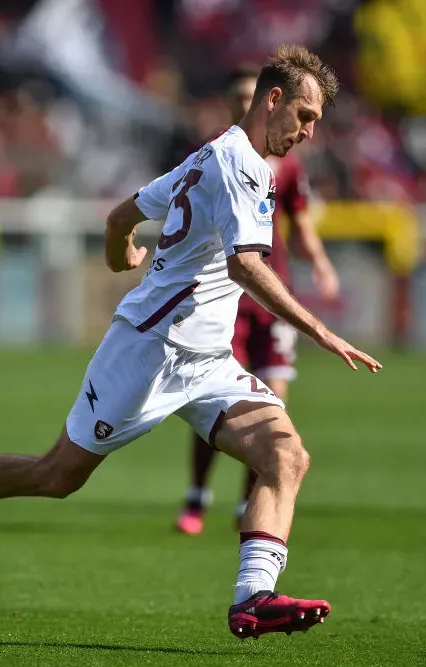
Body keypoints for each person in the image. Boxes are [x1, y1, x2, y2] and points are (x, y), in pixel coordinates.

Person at [0, 45, 381, 639]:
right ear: (274, 99)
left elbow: (118, 219)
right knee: (55, 475)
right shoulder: (239, 165)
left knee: (286, 456)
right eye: (305, 116)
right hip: (148, 351)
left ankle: (253, 598)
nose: (309, 132)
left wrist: (121, 257)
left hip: (207, 359)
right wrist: (319, 328)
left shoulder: (208, 157)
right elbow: (245, 266)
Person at [176, 64, 341, 536]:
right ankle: (196, 495)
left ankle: (248, 502)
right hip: (228, 298)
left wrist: (321, 264)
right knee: (217, 403)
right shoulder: (216, 154)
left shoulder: (288, 163)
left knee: (272, 403)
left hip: (273, 294)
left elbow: (301, 221)